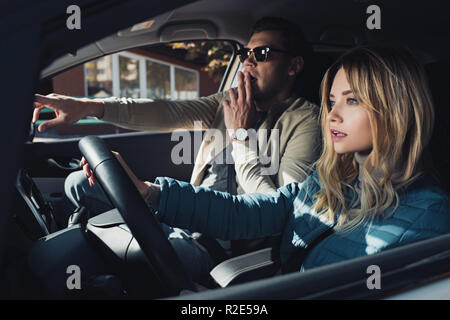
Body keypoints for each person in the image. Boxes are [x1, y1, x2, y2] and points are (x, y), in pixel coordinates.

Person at [107, 46, 450, 284]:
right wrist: (151, 193)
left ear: (395, 109)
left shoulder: (430, 217)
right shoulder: (330, 179)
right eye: (331, 101)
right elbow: (248, 212)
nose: (331, 113)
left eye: (352, 100)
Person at [33, 17, 322, 255]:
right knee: (78, 184)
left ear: (293, 66)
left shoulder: (306, 122)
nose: (248, 63)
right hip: (185, 217)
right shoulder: (229, 102)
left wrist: (241, 137)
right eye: (245, 54)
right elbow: (168, 112)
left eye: (261, 54)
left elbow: (280, 212)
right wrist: (89, 106)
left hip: (222, 246)